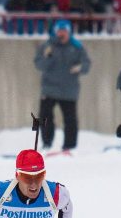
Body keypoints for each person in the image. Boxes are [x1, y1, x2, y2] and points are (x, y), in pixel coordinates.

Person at [34, 20, 92, 151]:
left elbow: (87, 64)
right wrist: (47, 56)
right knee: (45, 116)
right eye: (59, 31)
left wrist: (80, 68)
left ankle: (70, 146)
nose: (62, 34)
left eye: (64, 31)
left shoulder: (77, 47)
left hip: (69, 90)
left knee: (70, 119)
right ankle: (47, 143)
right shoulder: (48, 46)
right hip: (49, 88)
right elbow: (39, 65)